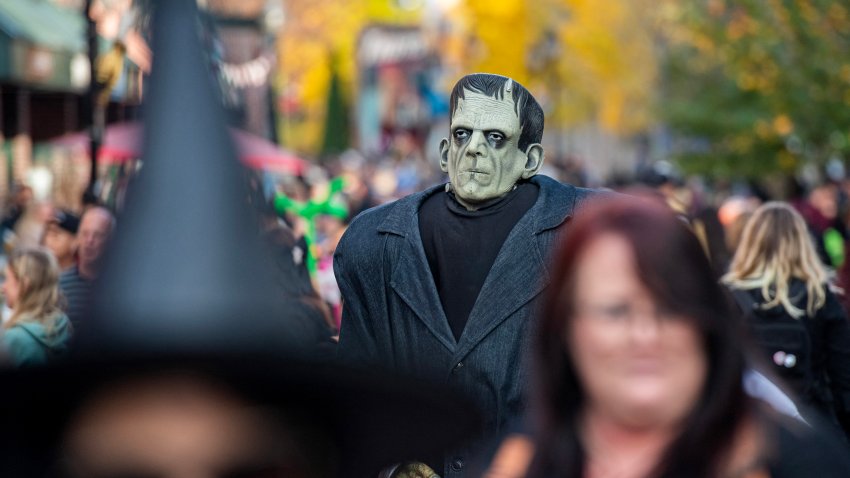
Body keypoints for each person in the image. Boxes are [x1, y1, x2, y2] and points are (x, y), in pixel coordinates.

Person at [335, 73, 599, 476]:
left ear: (529, 159)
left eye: (496, 137)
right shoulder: (374, 243)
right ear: (444, 152)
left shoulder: (585, 233)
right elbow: (357, 389)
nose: (474, 148)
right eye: (462, 134)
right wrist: (391, 466)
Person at [510, 196, 850, 478]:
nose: (645, 334)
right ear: (565, 325)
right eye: (615, 311)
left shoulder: (797, 460)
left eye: (672, 308)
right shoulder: (515, 461)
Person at [723, 201, 850, 438]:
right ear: (802, 243)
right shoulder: (819, 296)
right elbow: (843, 376)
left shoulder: (728, 296)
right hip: (813, 423)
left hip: (751, 427)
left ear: (750, 242)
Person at [0, 247, 72, 367]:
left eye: (7, 279)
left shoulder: (15, 340)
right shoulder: (62, 326)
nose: (3, 287)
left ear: (24, 285)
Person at [59, 206, 115, 327]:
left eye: (98, 235)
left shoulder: (119, 289)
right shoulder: (60, 286)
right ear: (77, 238)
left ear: (111, 240)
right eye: (85, 234)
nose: (89, 241)